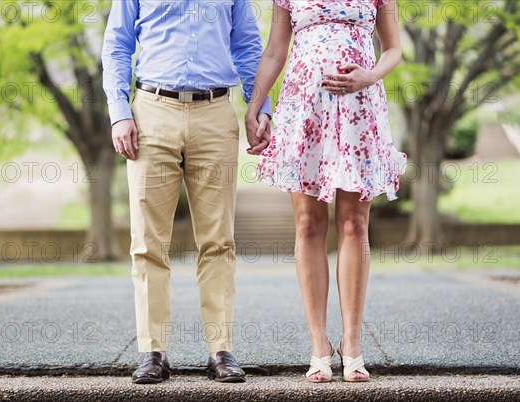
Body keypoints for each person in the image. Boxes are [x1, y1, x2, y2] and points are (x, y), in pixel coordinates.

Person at [102, 0, 271, 384]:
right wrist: (119, 111)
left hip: (215, 112)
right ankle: (153, 351)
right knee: (147, 242)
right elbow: (117, 44)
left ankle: (220, 350)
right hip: (151, 112)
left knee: (218, 240)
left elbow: (247, 44)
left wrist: (261, 107)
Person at [245, 0, 407, 382]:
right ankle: (319, 345)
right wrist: (255, 107)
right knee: (307, 225)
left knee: (354, 224)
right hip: (302, 110)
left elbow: (394, 48)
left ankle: (351, 345)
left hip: (359, 108)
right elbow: (274, 51)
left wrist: (368, 76)